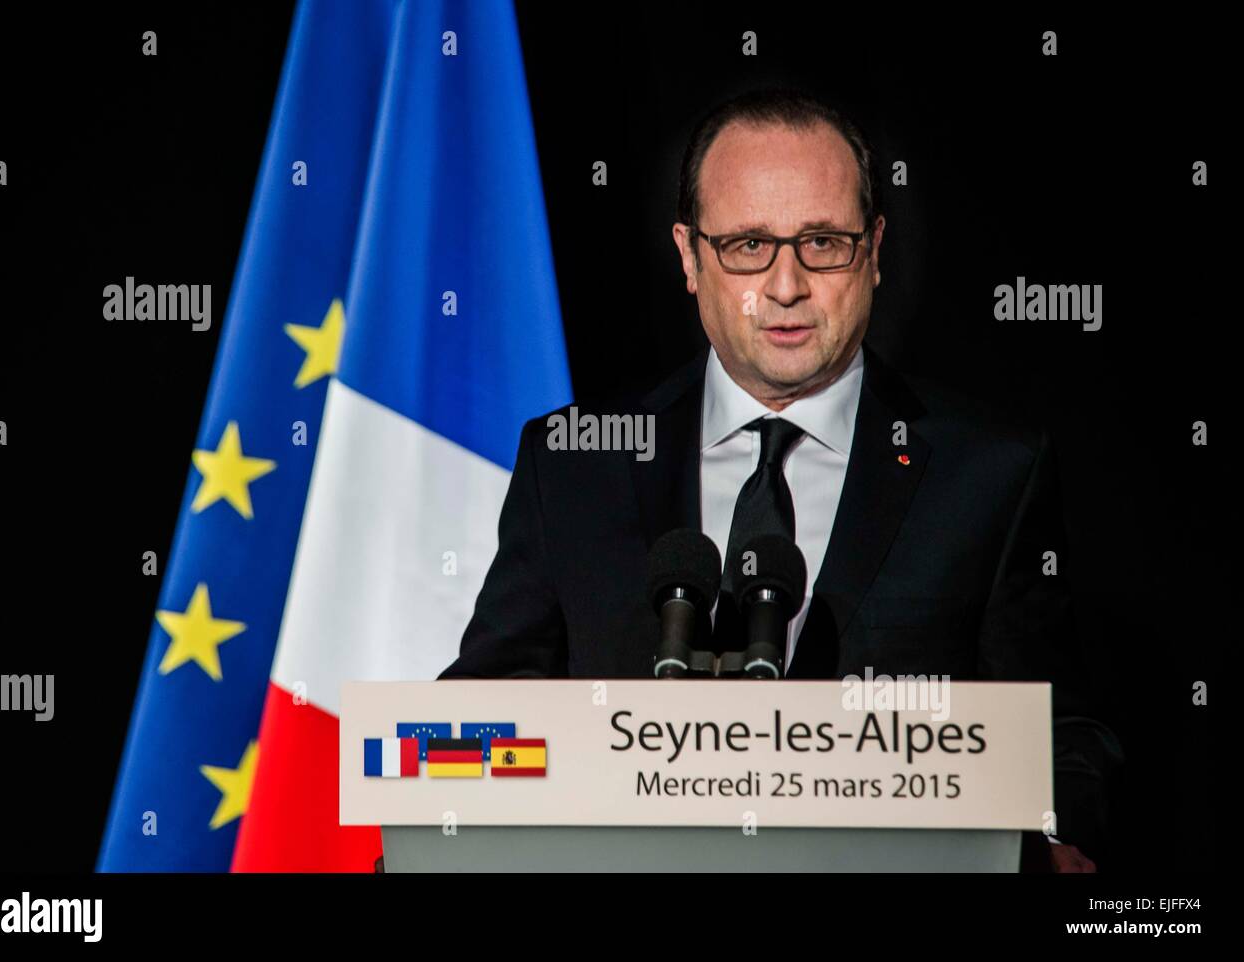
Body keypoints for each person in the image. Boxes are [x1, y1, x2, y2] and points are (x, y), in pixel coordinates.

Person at [439, 87, 1122, 872]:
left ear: (873, 252)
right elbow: (486, 715)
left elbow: (1061, 735)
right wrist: (431, 820)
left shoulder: (990, 474)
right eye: (748, 246)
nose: (786, 286)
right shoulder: (574, 463)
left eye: (823, 242)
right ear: (690, 258)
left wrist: (1061, 842)